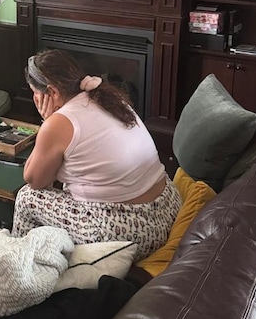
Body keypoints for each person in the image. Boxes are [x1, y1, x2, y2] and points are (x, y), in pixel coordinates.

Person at [12, 49, 182, 259]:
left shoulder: (59, 122)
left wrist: (47, 122)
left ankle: (19, 264)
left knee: (27, 197)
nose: (34, 99)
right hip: (168, 207)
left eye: (34, 93)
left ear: (52, 92)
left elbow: (34, 180)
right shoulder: (110, 99)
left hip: (133, 231)